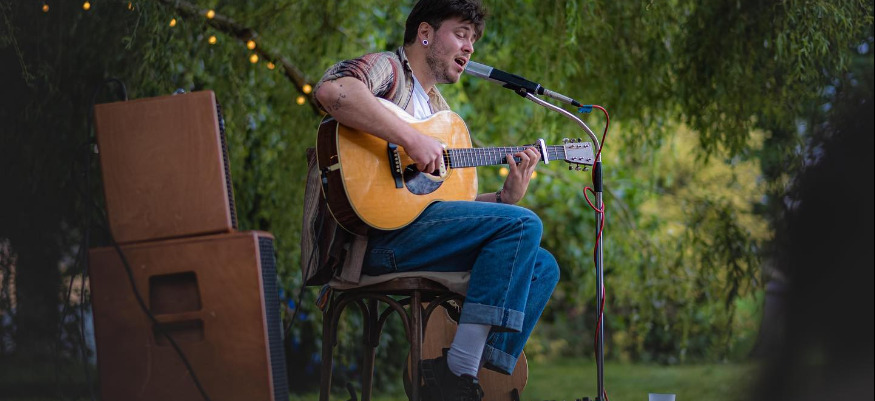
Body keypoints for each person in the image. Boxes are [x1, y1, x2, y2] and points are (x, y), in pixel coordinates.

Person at [313, 1, 559, 399]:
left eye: (473, 39)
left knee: (543, 266)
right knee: (525, 224)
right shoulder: (389, 70)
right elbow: (333, 91)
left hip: (419, 236)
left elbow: (448, 205)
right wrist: (410, 138)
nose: (470, 47)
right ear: (425, 33)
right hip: (372, 241)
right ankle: (457, 375)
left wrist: (503, 198)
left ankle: (468, 370)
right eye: (461, 34)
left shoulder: (439, 112)